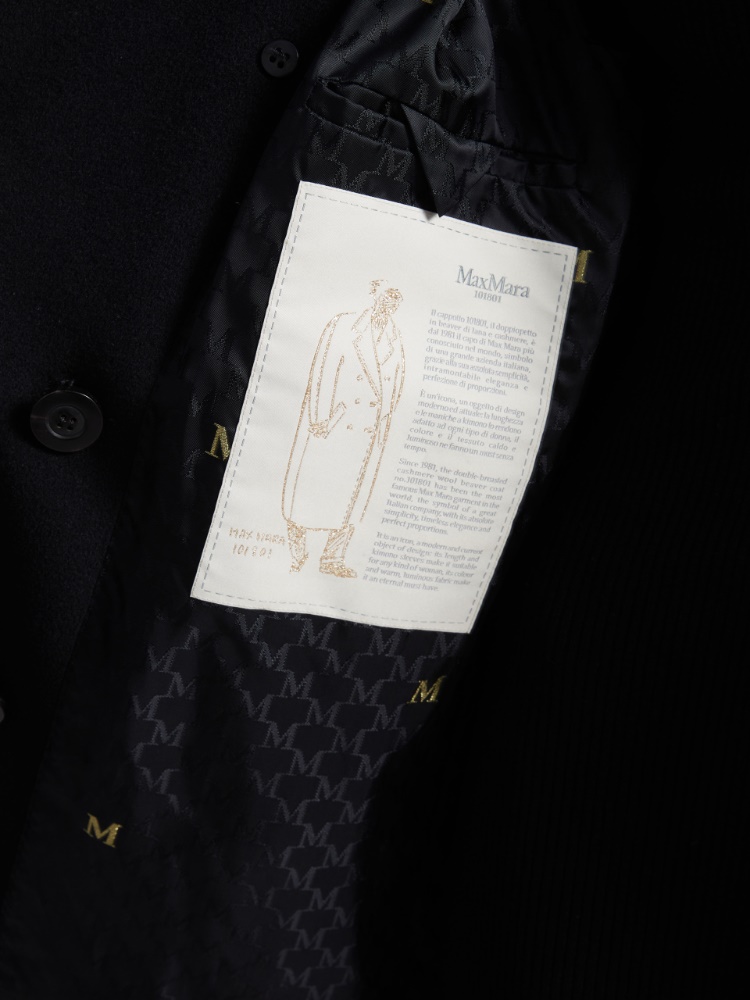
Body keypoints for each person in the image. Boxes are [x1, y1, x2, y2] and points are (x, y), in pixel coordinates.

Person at [283, 281, 405, 577]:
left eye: (395, 298)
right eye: (386, 295)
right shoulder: (343, 325)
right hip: (334, 425)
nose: (390, 302)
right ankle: (295, 554)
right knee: (308, 491)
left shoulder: (396, 338)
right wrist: (320, 417)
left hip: (367, 435)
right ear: (374, 293)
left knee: (350, 502)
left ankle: (332, 559)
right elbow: (323, 370)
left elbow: (396, 387)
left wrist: (384, 427)